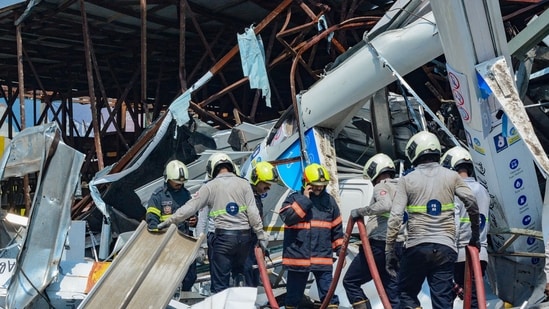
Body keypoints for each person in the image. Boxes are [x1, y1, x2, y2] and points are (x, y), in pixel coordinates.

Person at [385, 131, 480, 309]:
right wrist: (474, 235)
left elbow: (395, 218)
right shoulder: (452, 176)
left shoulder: (407, 180)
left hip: (417, 247)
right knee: (443, 300)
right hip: (446, 248)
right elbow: (472, 203)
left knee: (405, 292)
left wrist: (389, 251)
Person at [157, 152, 268, 294]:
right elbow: (253, 213)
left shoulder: (210, 186)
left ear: (212, 169)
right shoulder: (244, 184)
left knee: (220, 285)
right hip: (245, 239)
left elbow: (190, 208)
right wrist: (261, 235)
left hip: (223, 240)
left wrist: (169, 221)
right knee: (241, 276)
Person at [280, 163, 344, 309]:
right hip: (298, 259)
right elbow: (288, 218)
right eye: (315, 185)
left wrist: (340, 249)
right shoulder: (294, 199)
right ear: (306, 183)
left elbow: (337, 228)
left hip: (322, 257)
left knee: (329, 296)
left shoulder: (329, 202)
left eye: (322, 185)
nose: (319, 188)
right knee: (293, 297)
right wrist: (305, 200)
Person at [344, 153, 404, 309]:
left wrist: (361, 211)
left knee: (351, 281)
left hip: (379, 245)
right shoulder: (402, 187)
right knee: (392, 291)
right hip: (397, 245)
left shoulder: (381, 186)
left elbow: (385, 205)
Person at [441, 146, 490, 307]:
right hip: (480, 253)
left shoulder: (456, 190)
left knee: (445, 294)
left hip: (460, 253)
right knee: (474, 297)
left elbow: (453, 223)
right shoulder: (482, 190)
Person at [146, 159, 198, 292]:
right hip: (166, 244)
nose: (179, 185)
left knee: (189, 276)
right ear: (168, 178)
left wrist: (193, 220)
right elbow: (152, 222)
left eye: (182, 182)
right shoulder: (158, 196)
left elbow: (192, 214)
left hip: (184, 241)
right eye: (177, 182)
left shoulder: (186, 194)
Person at [242, 161, 280, 287]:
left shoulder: (255, 196)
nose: (268, 187)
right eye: (266, 184)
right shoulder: (248, 196)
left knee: (254, 276)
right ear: (256, 180)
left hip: (253, 244)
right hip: (245, 244)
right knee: (247, 275)